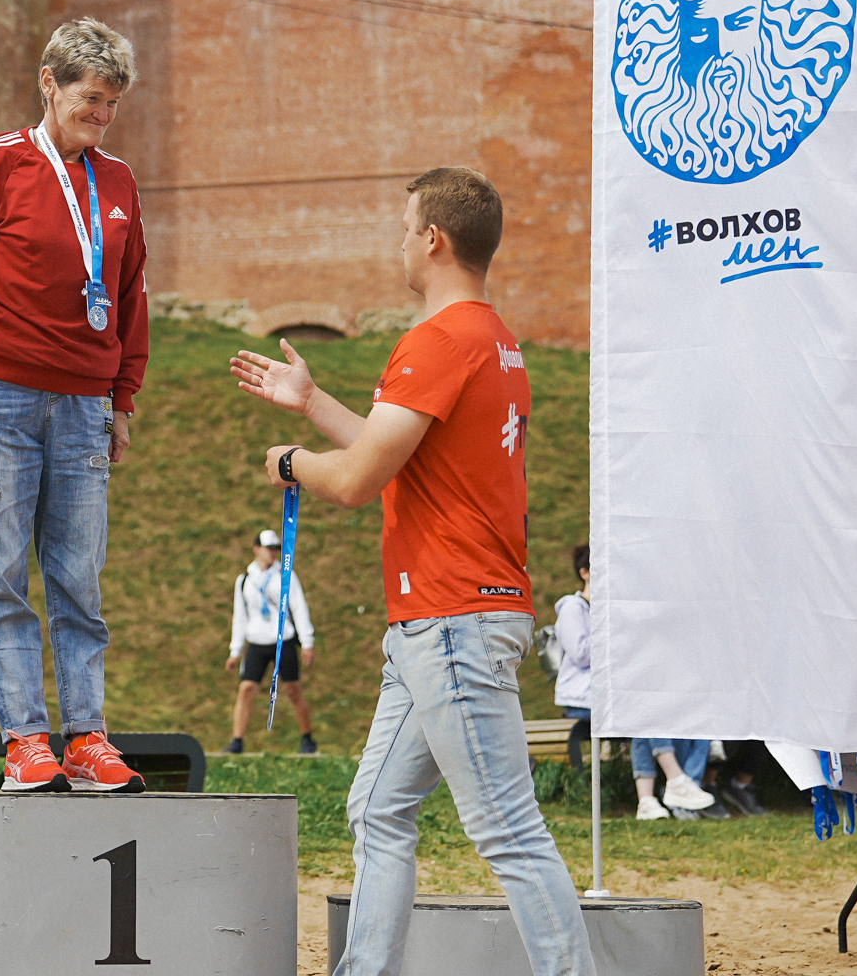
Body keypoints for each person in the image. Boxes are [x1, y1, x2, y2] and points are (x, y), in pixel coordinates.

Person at [234, 166, 594, 976]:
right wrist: (314, 402)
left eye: (405, 229)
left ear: (433, 239)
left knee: (507, 827)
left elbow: (359, 479)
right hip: (445, 619)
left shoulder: (435, 340)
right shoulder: (492, 339)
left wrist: (291, 461)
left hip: (450, 618)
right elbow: (400, 453)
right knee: (377, 809)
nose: (400, 242)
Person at [0, 18, 150, 795]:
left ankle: (87, 735)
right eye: (90, 97)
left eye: (112, 103)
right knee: (1, 576)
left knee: (80, 577)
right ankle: (26, 741)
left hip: (85, 403)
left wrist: (124, 398)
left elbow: (129, 296)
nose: (101, 115)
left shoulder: (117, 183)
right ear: (49, 83)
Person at [226, 527, 318, 755]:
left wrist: (307, 642)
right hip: (256, 642)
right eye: (269, 548)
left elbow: (298, 607)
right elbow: (240, 616)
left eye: (276, 548)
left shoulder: (286, 575)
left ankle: (307, 738)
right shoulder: (244, 580)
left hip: (282, 640)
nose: (273, 553)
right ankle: (237, 740)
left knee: (293, 689)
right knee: (246, 688)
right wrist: (235, 650)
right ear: (256, 549)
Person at [553, 545, 592, 769]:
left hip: (601, 696)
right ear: (584, 572)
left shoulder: (606, 610)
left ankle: (688, 781)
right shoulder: (572, 608)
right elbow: (580, 654)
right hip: (578, 697)